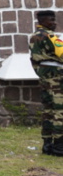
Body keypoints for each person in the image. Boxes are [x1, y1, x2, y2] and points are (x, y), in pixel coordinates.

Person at [29, 10, 63, 156]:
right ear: (42, 21)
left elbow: (34, 59)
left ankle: (47, 145)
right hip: (56, 77)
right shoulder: (50, 36)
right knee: (59, 111)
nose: (54, 23)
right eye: (51, 20)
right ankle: (59, 146)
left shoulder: (33, 37)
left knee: (48, 111)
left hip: (44, 76)